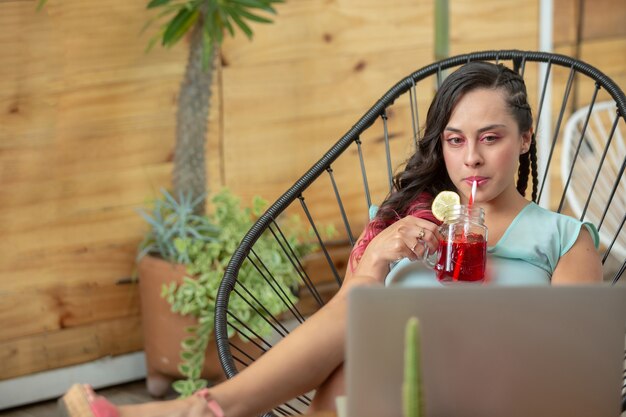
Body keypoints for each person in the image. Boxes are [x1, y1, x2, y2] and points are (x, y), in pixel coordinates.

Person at [59, 61, 603, 417]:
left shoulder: (563, 239)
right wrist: (378, 257)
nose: (472, 159)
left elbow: (575, 372)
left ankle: (209, 407)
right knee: (358, 334)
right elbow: (345, 317)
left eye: (491, 138)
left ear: (525, 138)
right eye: (455, 141)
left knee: (365, 346)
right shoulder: (411, 219)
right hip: (390, 382)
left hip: (488, 391)